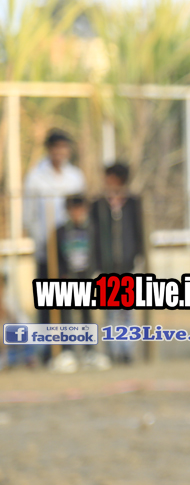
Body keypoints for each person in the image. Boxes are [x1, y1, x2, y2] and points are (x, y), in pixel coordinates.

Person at [90, 162, 145, 364]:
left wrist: (138, 255)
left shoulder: (133, 203)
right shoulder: (98, 205)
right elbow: (94, 234)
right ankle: (112, 350)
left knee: (126, 311)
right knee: (110, 311)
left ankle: (127, 350)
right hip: (107, 265)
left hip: (127, 264)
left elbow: (139, 231)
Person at [54, 195, 110, 371]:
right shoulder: (60, 231)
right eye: (73, 210)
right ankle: (68, 351)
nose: (77, 213)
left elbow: (98, 253)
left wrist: (96, 273)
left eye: (80, 209)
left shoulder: (92, 230)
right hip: (67, 278)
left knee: (87, 314)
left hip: (86, 277)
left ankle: (89, 351)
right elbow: (55, 257)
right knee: (66, 315)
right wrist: (61, 274)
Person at [23, 129, 86, 281]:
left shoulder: (76, 176)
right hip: (46, 248)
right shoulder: (35, 177)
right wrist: (41, 240)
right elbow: (28, 216)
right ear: (49, 148)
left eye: (63, 147)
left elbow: (81, 211)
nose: (59, 151)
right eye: (56, 146)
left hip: (72, 248)